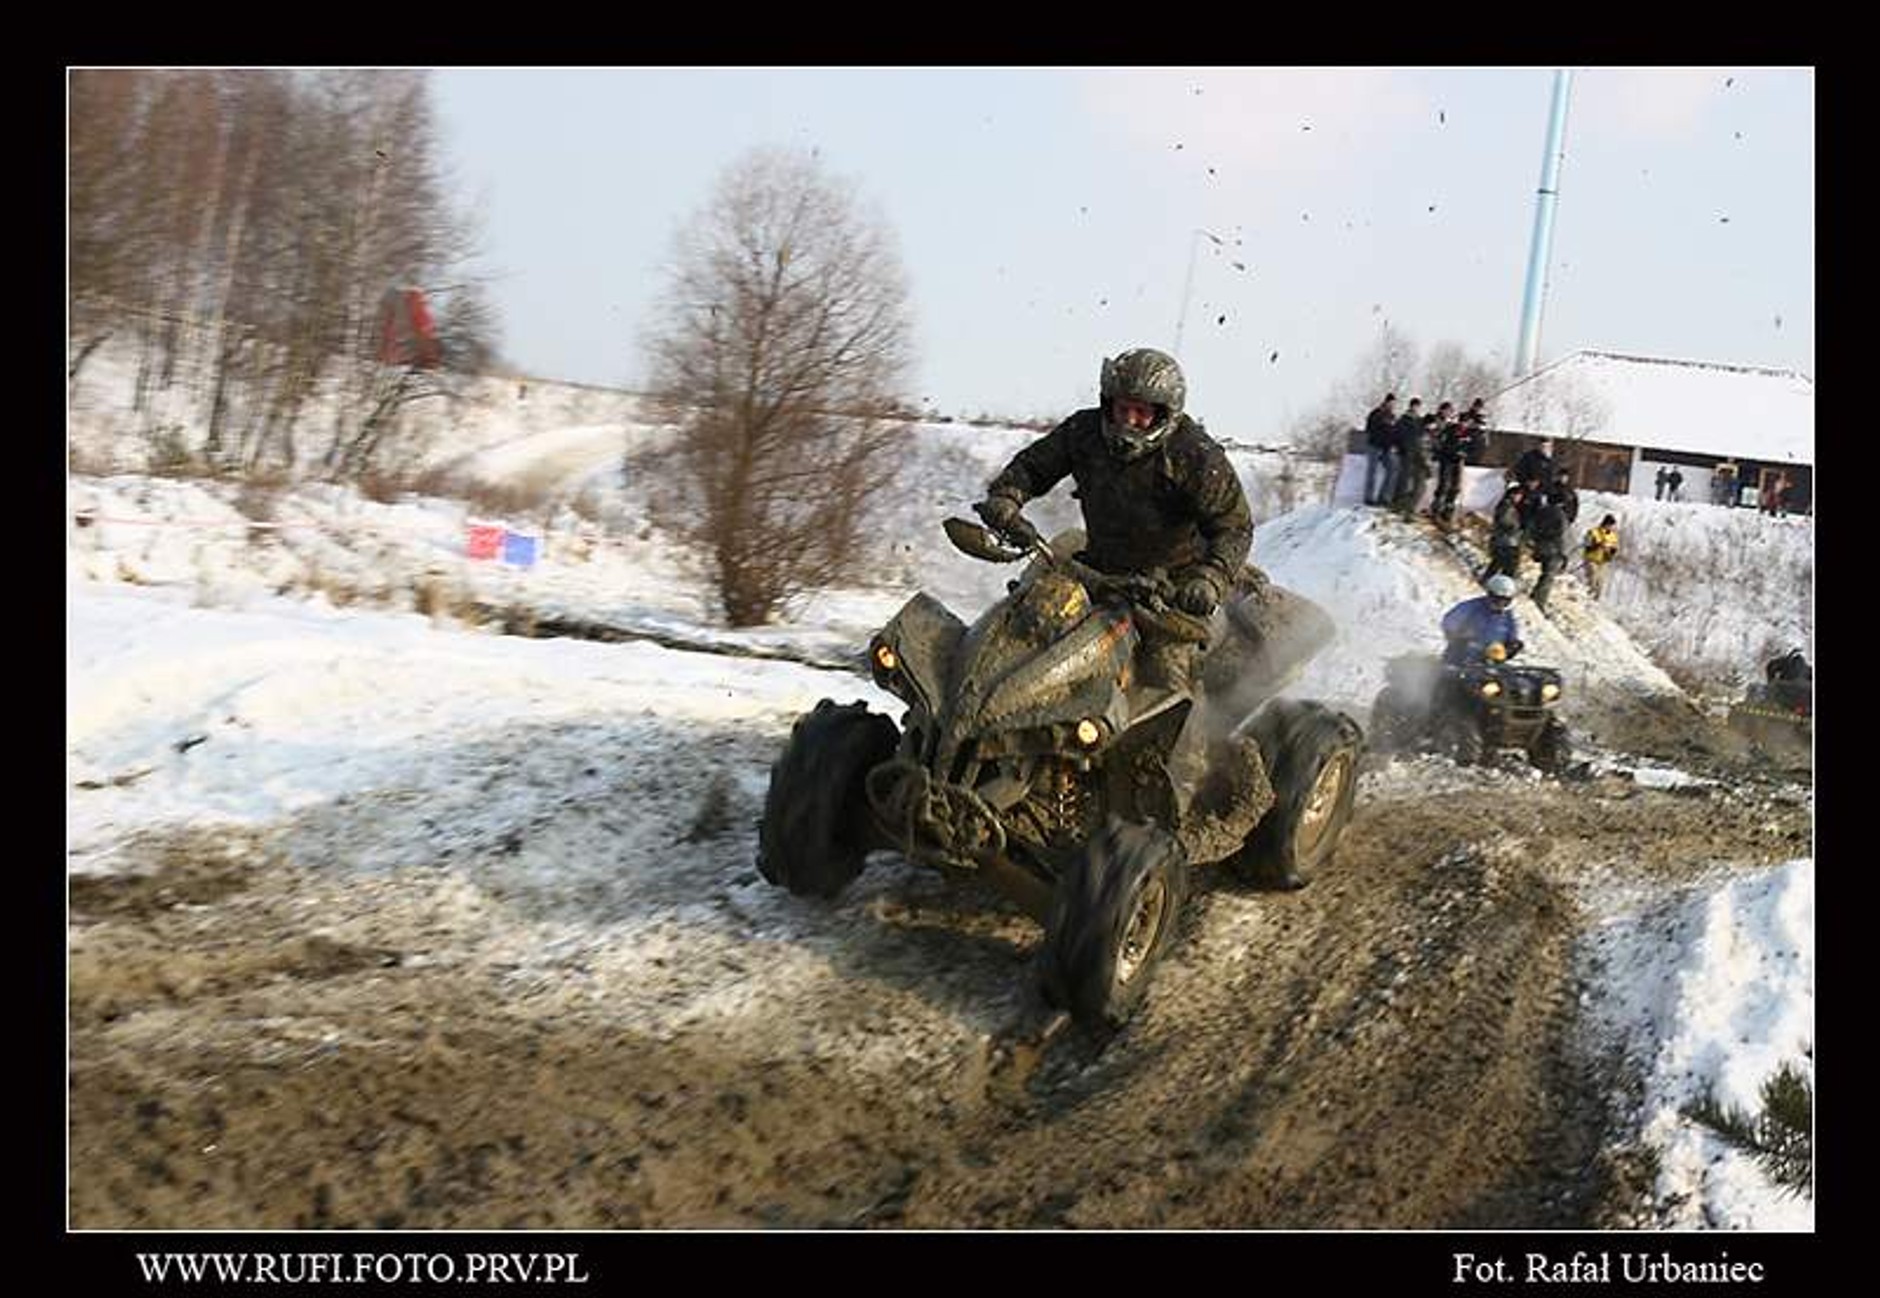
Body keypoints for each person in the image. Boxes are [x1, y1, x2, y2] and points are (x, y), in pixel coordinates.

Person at [977, 346, 1253, 697]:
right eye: (1123, 408)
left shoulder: (1195, 455)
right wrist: (1007, 497)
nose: (1129, 421)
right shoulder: (1084, 431)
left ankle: (1179, 750)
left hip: (1169, 592)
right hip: (1096, 571)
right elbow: (1033, 467)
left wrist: (1210, 578)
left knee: (1164, 683)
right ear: (1108, 403)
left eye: (1141, 412)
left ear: (1165, 414)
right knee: (1025, 620)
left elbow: (1234, 526)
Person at [1442, 574, 1524, 666]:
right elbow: (1449, 623)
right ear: (1490, 594)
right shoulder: (1472, 607)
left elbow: (1511, 636)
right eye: (1498, 600)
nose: (1501, 604)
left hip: (1490, 662)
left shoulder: (1507, 616)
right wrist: (1460, 639)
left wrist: (1512, 647)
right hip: (1461, 660)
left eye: (1505, 601)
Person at [1526, 492, 1569, 611]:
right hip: (1554, 549)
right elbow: (1562, 536)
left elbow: (1530, 528)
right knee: (1548, 576)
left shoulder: (1541, 511)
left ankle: (1535, 595)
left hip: (1540, 547)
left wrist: (1532, 543)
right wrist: (1564, 555)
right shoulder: (1561, 515)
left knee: (1544, 574)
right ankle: (1539, 602)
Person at [1429, 402, 1468, 525]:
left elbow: (1472, 447)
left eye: (1466, 422)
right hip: (1447, 460)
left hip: (1458, 463)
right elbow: (1444, 445)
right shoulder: (1451, 429)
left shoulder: (1467, 433)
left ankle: (1448, 510)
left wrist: (1465, 453)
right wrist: (1456, 451)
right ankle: (1436, 509)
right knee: (1444, 484)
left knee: (1455, 487)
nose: (1464, 424)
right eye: (1462, 421)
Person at [1392, 397, 1432, 518]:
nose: (1416, 408)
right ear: (1411, 406)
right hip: (1406, 452)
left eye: (1418, 406)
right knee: (1403, 479)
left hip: (1417, 454)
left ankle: (1405, 505)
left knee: (1417, 484)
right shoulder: (1404, 419)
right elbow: (1398, 435)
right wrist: (1400, 447)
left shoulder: (1420, 421)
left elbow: (1422, 439)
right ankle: (1397, 503)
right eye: (1415, 406)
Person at [1483, 482, 1528, 582]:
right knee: (1509, 566)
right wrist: (1516, 529)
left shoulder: (1508, 506)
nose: (1520, 498)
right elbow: (1505, 521)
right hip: (1506, 541)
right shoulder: (1506, 506)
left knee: (1497, 563)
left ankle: (1488, 580)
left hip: (1504, 540)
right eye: (1519, 495)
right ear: (1512, 495)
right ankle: (1503, 584)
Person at [1363, 393, 1399, 506]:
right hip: (1374, 446)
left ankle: (1384, 497)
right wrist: (1383, 426)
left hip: (1386, 448)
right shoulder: (1376, 413)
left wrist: (1393, 443)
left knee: (1393, 469)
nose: (1392, 405)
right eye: (1391, 403)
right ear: (1386, 402)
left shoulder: (1392, 416)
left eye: (1394, 403)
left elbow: (1393, 432)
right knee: (1371, 472)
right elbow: (1369, 428)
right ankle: (1368, 497)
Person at [1581, 513, 1619, 600]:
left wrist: (1611, 553)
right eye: (1610, 525)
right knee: (1592, 579)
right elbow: (1586, 544)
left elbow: (1615, 548)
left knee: (1600, 583)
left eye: (1612, 526)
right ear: (1605, 523)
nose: (1611, 527)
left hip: (1603, 561)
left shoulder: (1613, 535)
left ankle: (1595, 600)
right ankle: (1586, 597)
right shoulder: (1593, 531)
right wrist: (1598, 545)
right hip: (1591, 559)